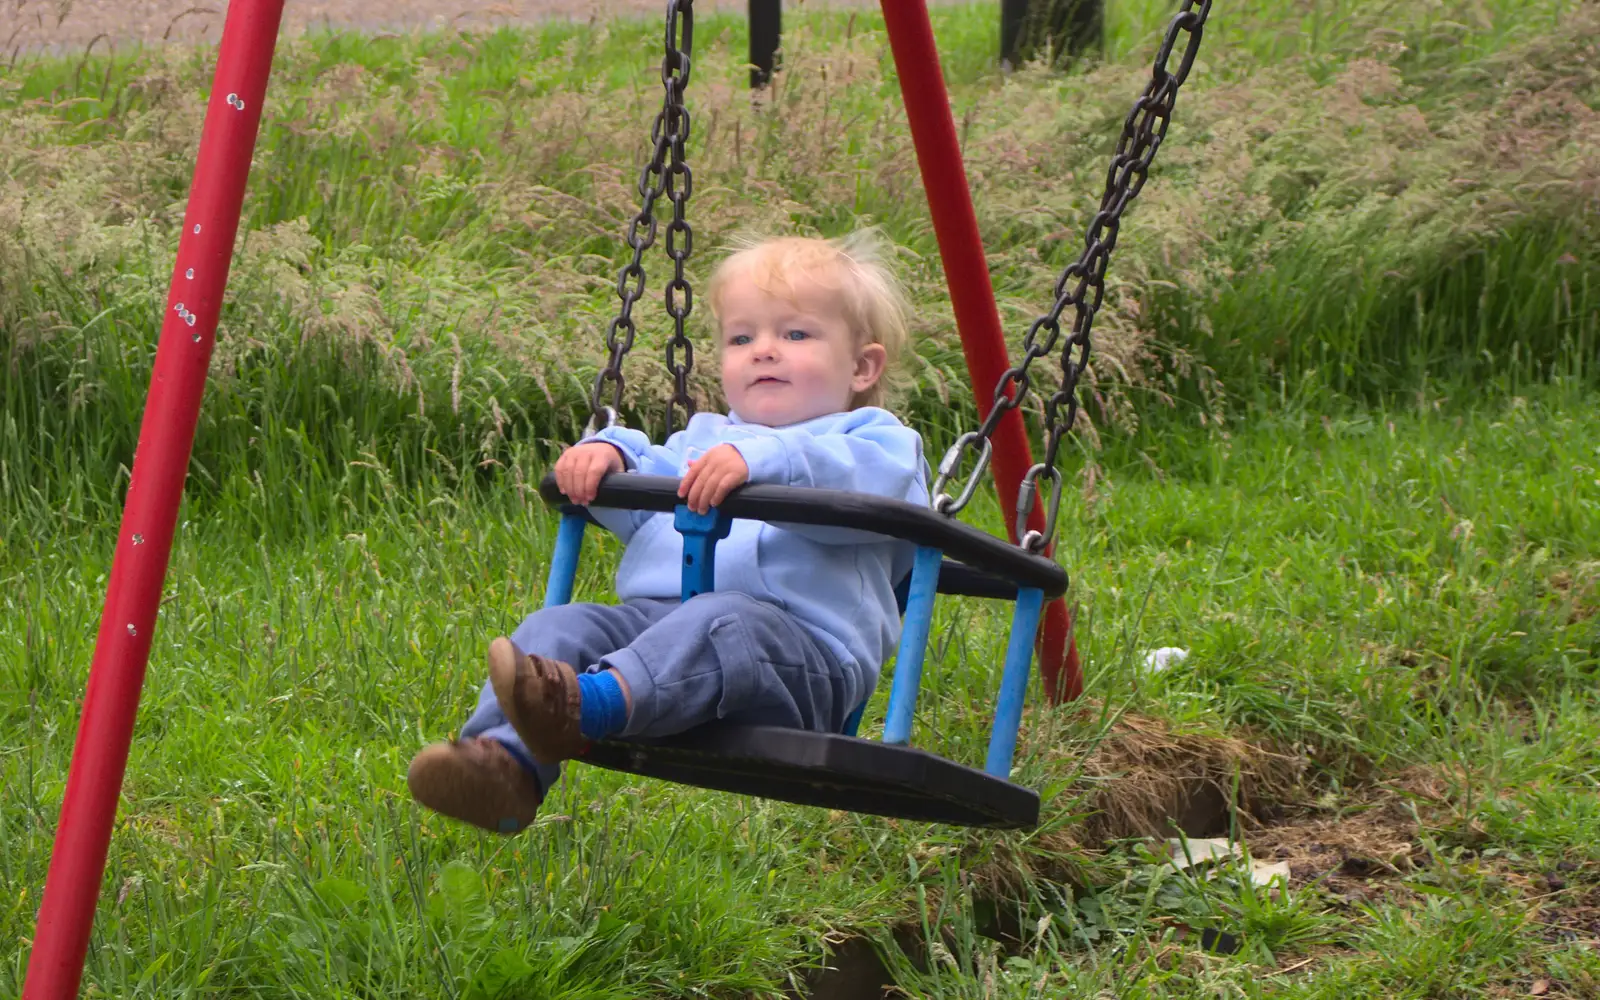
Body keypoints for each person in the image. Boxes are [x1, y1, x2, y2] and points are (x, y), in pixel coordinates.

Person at [407, 231, 928, 833]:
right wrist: (609, 457)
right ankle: (503, 766)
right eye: (742, 337)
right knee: (562, 625)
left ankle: (585, 705)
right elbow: (648, 497)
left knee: (724, 620)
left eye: (795, 334)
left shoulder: (876, 440)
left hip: (800, 662)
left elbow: (872, 489)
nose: (763, 350)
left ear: (863, 365)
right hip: (658, 630)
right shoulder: (701, 440)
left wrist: (765, 463)